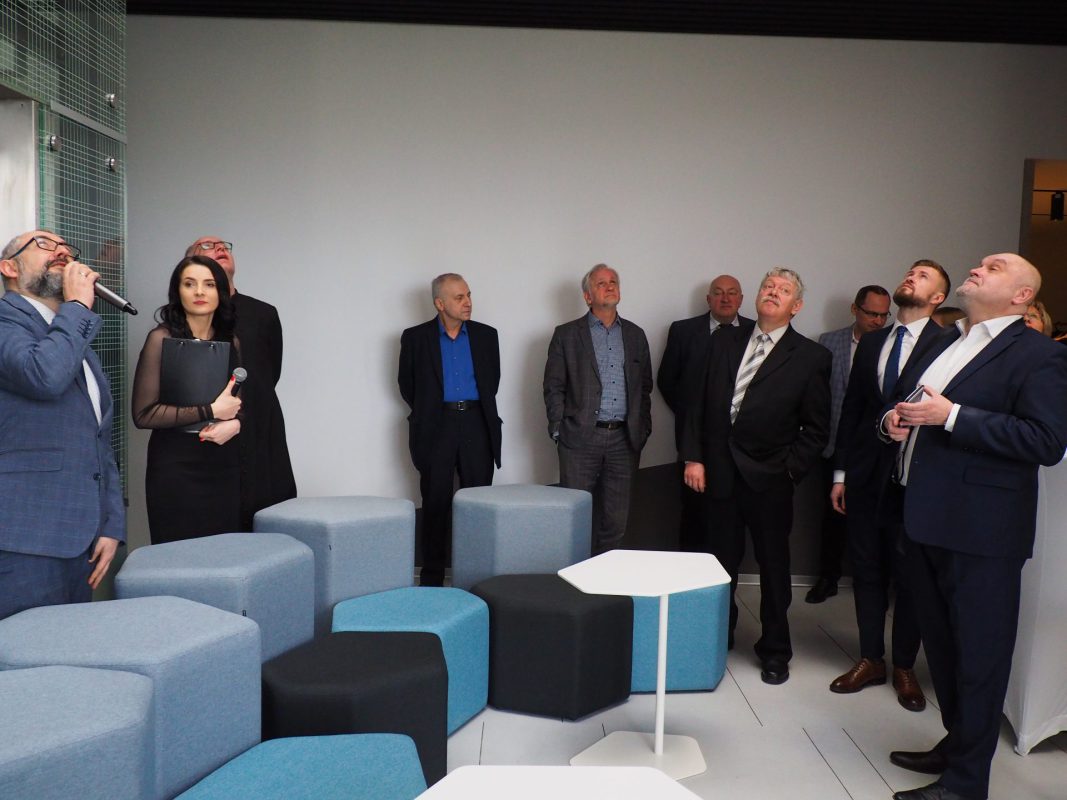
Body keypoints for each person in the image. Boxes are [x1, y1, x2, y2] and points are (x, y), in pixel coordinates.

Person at [882, 254, 1067, 800]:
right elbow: (909, 405)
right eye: (983, 262)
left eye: (996, 266)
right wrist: (891, 421)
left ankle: (966, 785)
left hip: (984, 532)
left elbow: (1045, 441)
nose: (980, 267)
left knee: (980, 658)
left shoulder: (1039, 355)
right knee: (943, 652)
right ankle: (957, 745)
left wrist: (954, 417)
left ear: (1021, 295)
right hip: (924, 518)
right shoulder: (945, 341)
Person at [681, 267, 830, 685]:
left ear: (796, 306)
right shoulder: (723, 340)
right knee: (718, 564)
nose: (773, 292)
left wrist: (789, 471)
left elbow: (817, 428)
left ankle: (775, 649)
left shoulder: (811, 357)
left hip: (770, 480)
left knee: (773, 568)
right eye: (768, 286)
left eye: (784, 290)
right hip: (718, 473)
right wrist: (693, 458)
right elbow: (695, 403)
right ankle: (718, 636)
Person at [829, 259, 951, 711]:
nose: (911, 277)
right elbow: (854, 410)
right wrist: (841, 473)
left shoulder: (948, 343)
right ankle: (870, 659)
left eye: (923, 276)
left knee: (911, 576)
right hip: (865, 476)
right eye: (910, 272)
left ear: (938, 297)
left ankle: (904, 666)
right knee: (866, 569)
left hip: (917, 481)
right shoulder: (874, 341)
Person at [0, 230, 124, 619]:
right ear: (9, 268)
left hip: (81, 538)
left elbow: (98, 438)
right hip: (24, 540)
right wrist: (78, 307)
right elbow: (44, 376)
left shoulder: (72, 337)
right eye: (44, 244)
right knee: (26, 652)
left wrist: (111, 523)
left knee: (69, 651)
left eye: (65, 246)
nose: (61, 251)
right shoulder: (7, 322)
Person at [132, 256, 244, 544]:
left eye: (209, 284)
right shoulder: (160, 338)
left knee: (222, 552)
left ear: (221, 291)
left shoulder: (230, 341)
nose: (199, 292)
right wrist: (210, 410)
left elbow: (237, 403)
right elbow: (144, 414)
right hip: (174, 467)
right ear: (177, 291)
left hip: (223, 464)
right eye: (189, 284)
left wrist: (236, 424)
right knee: (177, 553)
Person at [186, 237, 296, 527]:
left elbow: (268, 375)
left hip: (259, 430)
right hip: (206, 436)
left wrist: (242, 416)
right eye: (207, 246)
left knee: (267, 520)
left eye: (224, 245)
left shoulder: (264, 313)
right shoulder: (181, 317)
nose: (220, 248)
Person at [399, 273, 501, 586]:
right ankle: (432, 580)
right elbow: (407, 385)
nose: (468, 302)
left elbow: (492, 382)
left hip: (476, 423)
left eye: (468, 295)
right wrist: (432, 410)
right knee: (435, 503)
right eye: (459, 297)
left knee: (478, 502)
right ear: (440, 304)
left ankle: (476, 577)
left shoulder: (486, 335)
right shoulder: (416, 338)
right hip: (436, 424)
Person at [544, 264, 653, 554]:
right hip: (580, 439)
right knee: (576, 518)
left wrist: (642, 430)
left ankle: (606, 577)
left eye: (613, 281)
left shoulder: (635, 335)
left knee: (615, 521)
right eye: (601, 283)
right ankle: (575, 579)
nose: (610, 286)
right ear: (587, 296)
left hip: (624, 441)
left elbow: (645, 388)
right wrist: (559, 430)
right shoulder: (567, 334)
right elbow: (554, 386)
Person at [807, 284, 891, 604]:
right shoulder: (829, 342)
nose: (878, 321)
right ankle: (828, 578)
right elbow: (819, 394)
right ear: (855, 310)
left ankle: (873, 582)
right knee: (831, 518)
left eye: (884, 315)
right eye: (872, 313)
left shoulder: (892, 345)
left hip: (875, 446)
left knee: (874, 519)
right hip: (832, 444)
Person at [657, 275, 750, 552]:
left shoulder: (755, 332)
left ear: (741, 299)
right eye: (718, 293)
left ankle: (727, 578)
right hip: (695, 445)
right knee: (694, 516)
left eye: (732, 293)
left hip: (740, 448)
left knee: (732, 521)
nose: (725, 298)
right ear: (708, 299)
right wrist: (694, 417)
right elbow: (667, 381)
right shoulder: (683, 331)